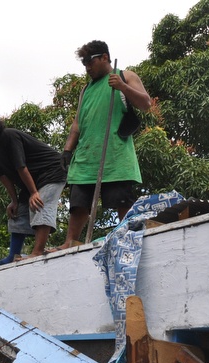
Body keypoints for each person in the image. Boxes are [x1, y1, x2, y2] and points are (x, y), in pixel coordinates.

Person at [57, 40, 152, 249]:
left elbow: (146, 104)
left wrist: (122, 86)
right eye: (84, 64)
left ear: (105, 58)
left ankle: (128, 236)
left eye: (90, 62)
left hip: (115, 154)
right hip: (86, 156)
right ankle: (69, 242)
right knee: (78, 203)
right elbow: (77, 123)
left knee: (122, 200)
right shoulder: (85, 90)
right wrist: (66, 150)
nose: (87, 68)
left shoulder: (126, 76)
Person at [0, 112, 67, 261]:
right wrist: (15, 201)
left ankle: (37, 252)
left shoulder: (8, 136)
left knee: (40, 203)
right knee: (18, 212)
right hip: (31, 180)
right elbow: (1, 176)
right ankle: (13, 255)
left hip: (51, 171)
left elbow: (21, 167)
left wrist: (33, 193)